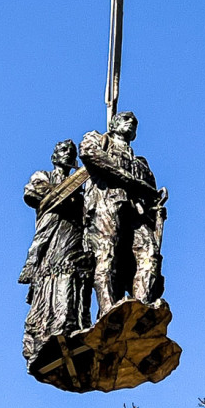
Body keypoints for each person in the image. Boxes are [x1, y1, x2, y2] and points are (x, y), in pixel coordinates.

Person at [79, 111, 166, 317]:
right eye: (126, 119)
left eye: (134, 122)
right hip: (106, 203)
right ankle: (109, 311)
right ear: (114, 123)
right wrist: (131, 180)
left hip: (138, 212)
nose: (131, 123)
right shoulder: (99, 139)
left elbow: (151, 193)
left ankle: (140, 308)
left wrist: (157, 204)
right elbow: (88, 152)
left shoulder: (141, 163)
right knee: (107, 254)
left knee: (150, 253)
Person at [19, 140, 93, 361]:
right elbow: (33, 193)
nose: (67, 154)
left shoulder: (82, 193)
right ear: (54, 157)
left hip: (73, 238)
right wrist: (67, 191)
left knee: (71, 279)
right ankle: (42, 334)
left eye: (70, 152)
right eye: (62, 151)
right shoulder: (44, 176)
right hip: (50, 240)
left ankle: (70, 327)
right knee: (49, 280)